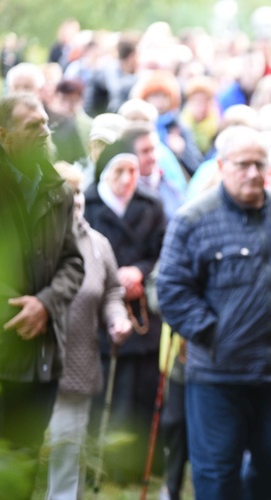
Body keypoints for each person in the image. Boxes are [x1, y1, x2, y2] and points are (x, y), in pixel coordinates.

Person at [156, 125, 271, 500]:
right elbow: (170, 290)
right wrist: (212, 333)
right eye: (243, 164)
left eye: (259, 164)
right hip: (218, 375)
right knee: (216, 473)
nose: (253, 172)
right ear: (221, 165)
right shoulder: (193, 219)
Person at [0, 93, 85, 496]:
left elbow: (73, 262)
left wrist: (44, 304)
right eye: (32, 125)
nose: (45, 131)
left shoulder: (58, 190)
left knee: (25, 468)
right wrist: (19, 309)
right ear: (1, 134)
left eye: (45, 122)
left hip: (42, 356)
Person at [46, 162, 132, 499]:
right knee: (22, 452)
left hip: (78, 363)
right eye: (66, 193)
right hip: (31, 363)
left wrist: (116, 318)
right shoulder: (31, 242)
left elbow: (111, 291)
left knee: (67, 450)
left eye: (79, 191)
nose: (76, 199)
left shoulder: (98, 244)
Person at [83, 140, 167, 484]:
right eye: (120, 170)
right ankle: (102, 463)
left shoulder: (151, 205)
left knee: (142, 393)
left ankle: (137, 467)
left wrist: (139, 272)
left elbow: (162, 250)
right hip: (101, 309)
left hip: (141, 309)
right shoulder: (88, 205)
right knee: (108, 392)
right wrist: (113, 276)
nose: (128, 178)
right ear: (105, 172)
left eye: (133, 170)